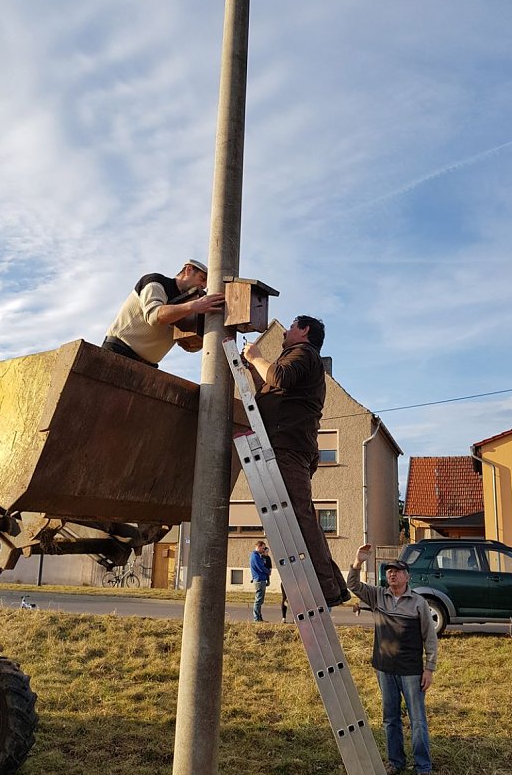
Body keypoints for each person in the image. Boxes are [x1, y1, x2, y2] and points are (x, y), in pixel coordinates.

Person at [242, 316, 350, 608]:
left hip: (288, 445)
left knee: (300, 517)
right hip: (290, 444)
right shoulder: (300, 359)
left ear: (304, 331)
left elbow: (279, 378)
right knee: (301, 516)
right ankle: (331, 586)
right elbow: (275, 388)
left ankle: (325, 589)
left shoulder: (302, 354)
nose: (285, 332)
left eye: (291, 327)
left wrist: (256, 357)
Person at [347, 545, 438, 775]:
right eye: (389, 571)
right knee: (390, 718)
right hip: (384, 669)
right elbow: (353, 586)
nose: (392, 574)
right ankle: (395, 762)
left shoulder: (418, 603)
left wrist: (429, 668)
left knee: (417, 720)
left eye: (397, 571)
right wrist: (358, 562)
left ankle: (423, 769)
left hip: (411, 671)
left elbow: (430, 638)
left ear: (407, 577)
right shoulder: (378, 597)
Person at [102, 259, 224, 367]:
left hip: (148, 366)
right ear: (188, 270)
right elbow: (155, 316)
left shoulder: (189, 305)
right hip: (118, 352)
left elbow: (189, 346)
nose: (202, 286)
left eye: (205, 285)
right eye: (202, 279)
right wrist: (193, 306)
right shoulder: (156, 282)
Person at [250, 540, 270, 622]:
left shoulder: (257, 555)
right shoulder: (255, 556)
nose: (263, 549)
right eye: (263, 548)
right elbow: (260, 567)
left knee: (260, 600)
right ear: (258, 546)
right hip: (259, 579)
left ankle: (259, 618)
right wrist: (268, 571)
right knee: (258, 600)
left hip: (260, 579)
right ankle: (257, 619)